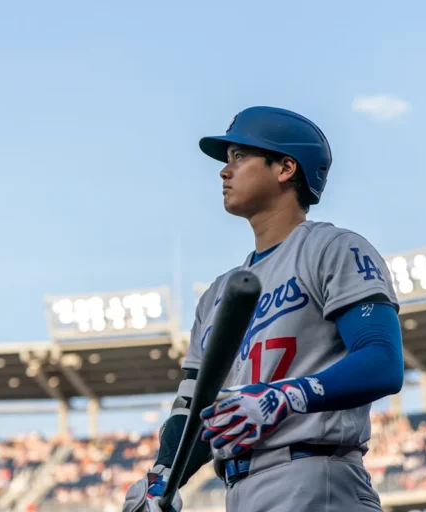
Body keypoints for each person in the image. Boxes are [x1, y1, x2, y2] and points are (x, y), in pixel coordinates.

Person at [122, 106, 404, 512]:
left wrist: (286, 396)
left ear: (286, 168)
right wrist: (163, 475)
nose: (224, 171)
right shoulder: (217, 295)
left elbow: (382, 360)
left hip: (316, 475)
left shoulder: (333, 248)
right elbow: (193, 408)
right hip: (238, 490)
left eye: (239, 156)